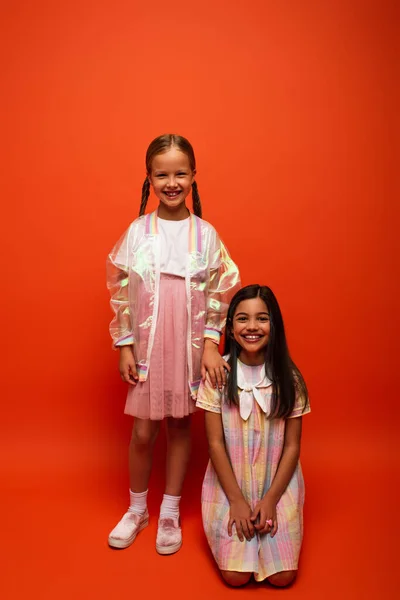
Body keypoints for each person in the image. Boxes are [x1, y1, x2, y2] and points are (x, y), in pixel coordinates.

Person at [106, 134, 240, 555]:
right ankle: (138, 508)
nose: (172, 182)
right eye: (162, 174)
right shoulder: (138, 231)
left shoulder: (205, 234)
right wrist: (125, 344)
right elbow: (120, 286)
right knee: (144, 430)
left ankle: (169, 510)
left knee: (181, 425)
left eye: (180, 173)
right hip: (148, 339)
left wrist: (212, 344)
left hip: (190, 341)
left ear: (194, 177)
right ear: (149, 177)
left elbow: (220, 292)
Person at [196, 284, 310, 586]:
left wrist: (271, 499)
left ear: (274, 326)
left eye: (262, 318)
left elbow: (292, 447)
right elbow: (215, 443)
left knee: (284, 577)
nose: (252, 327)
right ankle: (233, 514)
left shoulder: (290, 378)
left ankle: (276, 513)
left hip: (277, 483)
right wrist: (236, 500)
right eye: (242, 319)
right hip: (230, 484)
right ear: (230, 328)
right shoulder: (218, 376)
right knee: (235, 577)